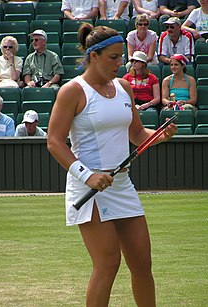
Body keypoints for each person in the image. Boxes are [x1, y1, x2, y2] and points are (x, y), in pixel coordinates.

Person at [47, 22, 177, 307]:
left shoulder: (124, 87)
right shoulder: (72, 91)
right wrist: (88, 175)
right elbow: (54, 142)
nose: (121, 63)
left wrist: (159, 136)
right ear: (93, 56)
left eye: (122, 57)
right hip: (88, 190)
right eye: (114, 57)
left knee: (142, 263)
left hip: (121, 185)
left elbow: (136, 135)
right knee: (108, 264)